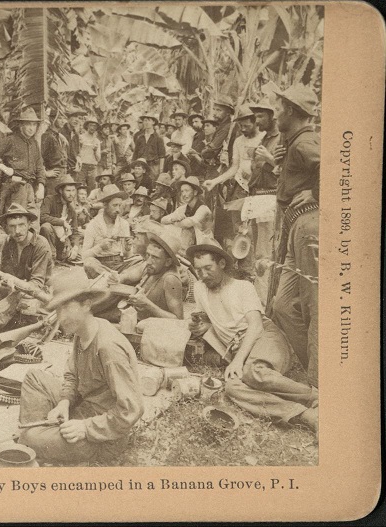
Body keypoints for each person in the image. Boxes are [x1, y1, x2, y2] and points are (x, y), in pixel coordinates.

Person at [186, 244, 318, 433]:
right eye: (198, 270)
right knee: (233, 388)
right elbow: (205, 317)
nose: (203, 275)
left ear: (221, 264)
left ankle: (315, 397)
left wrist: (237, 361)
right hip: (239, 348)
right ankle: (305, 416)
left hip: (263, 336)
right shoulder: (200, 288)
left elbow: (256, 326)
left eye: (208, 268)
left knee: (254, 372)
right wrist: (196, 324)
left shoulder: (242, 287)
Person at [17, 278, 143, 464]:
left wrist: (85, 428)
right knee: (34, 378)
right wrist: (64, 402)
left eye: (67, 308)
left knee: (29, 439)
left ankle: (38, 440)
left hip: (104, 436)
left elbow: (131, 410)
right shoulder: (82, 331)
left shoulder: (108, 348)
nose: (61, 317)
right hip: (84, 406)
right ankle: (43, 435)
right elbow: (72, 375)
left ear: (87, 304)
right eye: (58, 310)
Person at [267, 84, 321, 389]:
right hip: (296, 223)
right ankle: (316, 368)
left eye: (278, 110)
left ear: (290, 111)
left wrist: (315, 192)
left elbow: (339, 169)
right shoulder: (295, 142)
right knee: (283, 305)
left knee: (314, 305)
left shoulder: (306, 142)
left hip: (308, 222)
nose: (275, 116)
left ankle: (319, 382)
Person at [0, 204, 54, 341]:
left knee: (18, 294)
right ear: (6, 227)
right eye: (12, 226)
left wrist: (15, 284)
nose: (17, 231)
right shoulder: (8, 242)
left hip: (38, 292)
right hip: (13, 285)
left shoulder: (41, 244)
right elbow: (3, 271)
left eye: (21, 225)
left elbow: (37, 283)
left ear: (29, 224)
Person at [0, 109, 47, 214]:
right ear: (21, 125)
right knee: (16, 217)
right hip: (15, 186)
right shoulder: (11, 140)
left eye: (34, 125)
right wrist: (4, 168)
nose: (31, 128)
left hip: (31, 187)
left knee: (33, 219)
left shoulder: (34, 144)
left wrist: (41, 186)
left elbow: (39, 166)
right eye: (28, 124)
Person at [118, 232, 185, 321]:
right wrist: (117, 278)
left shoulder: (170, 279)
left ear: (168, 262)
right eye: (148, 255)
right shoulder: (153, 268)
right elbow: (128, 276)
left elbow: (178, 319)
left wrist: (147, 304)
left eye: (155, 257)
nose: (148, 261)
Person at [81, 184, 132, 278]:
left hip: (119, 265)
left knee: (140, 262)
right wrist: (100, 247)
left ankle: (111, 278)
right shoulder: (93, 225)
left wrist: (128, 248)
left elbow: (127, 256)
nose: (118, 210)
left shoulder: (124, 224)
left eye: (120, 205)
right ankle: (114, 278)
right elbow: (84, 256)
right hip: (100, 265)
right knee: (89, 263)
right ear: (105, 205)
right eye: (114, 205)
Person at [162, 176, 213, 248]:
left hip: (205, 246)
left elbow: (187, 223)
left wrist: (175, 222)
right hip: (191, 244)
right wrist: (173, 219)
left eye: (187, 191)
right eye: (182, 191)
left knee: (172, 228)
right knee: (167, 228)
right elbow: (163, 220)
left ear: (195, 192)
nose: (183, 194)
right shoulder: (183, 208)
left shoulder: (204, 209)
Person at [40, 174, 81, 262]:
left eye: (73, 190)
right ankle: (50, 257)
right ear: (61, 191)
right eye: (68, 190)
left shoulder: (71, 210)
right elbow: (42, 216)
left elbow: (75, 232)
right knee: (46, 227)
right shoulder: (50, 200)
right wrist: (62, 222)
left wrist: (75, 247)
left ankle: (62, 255)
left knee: (77, 256)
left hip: (62, 241)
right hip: (49, 239)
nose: (71, 194)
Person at [76, 119, 102, 190]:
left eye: (95, 126)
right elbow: (75, 152)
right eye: (91, 125)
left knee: (92, 189)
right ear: (87, 126)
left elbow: (98, 159)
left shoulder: (97, 141)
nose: (92, 128)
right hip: (82, 167)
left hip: (92, 167)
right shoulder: (80, 137)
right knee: (79, 187)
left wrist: (95, 150)